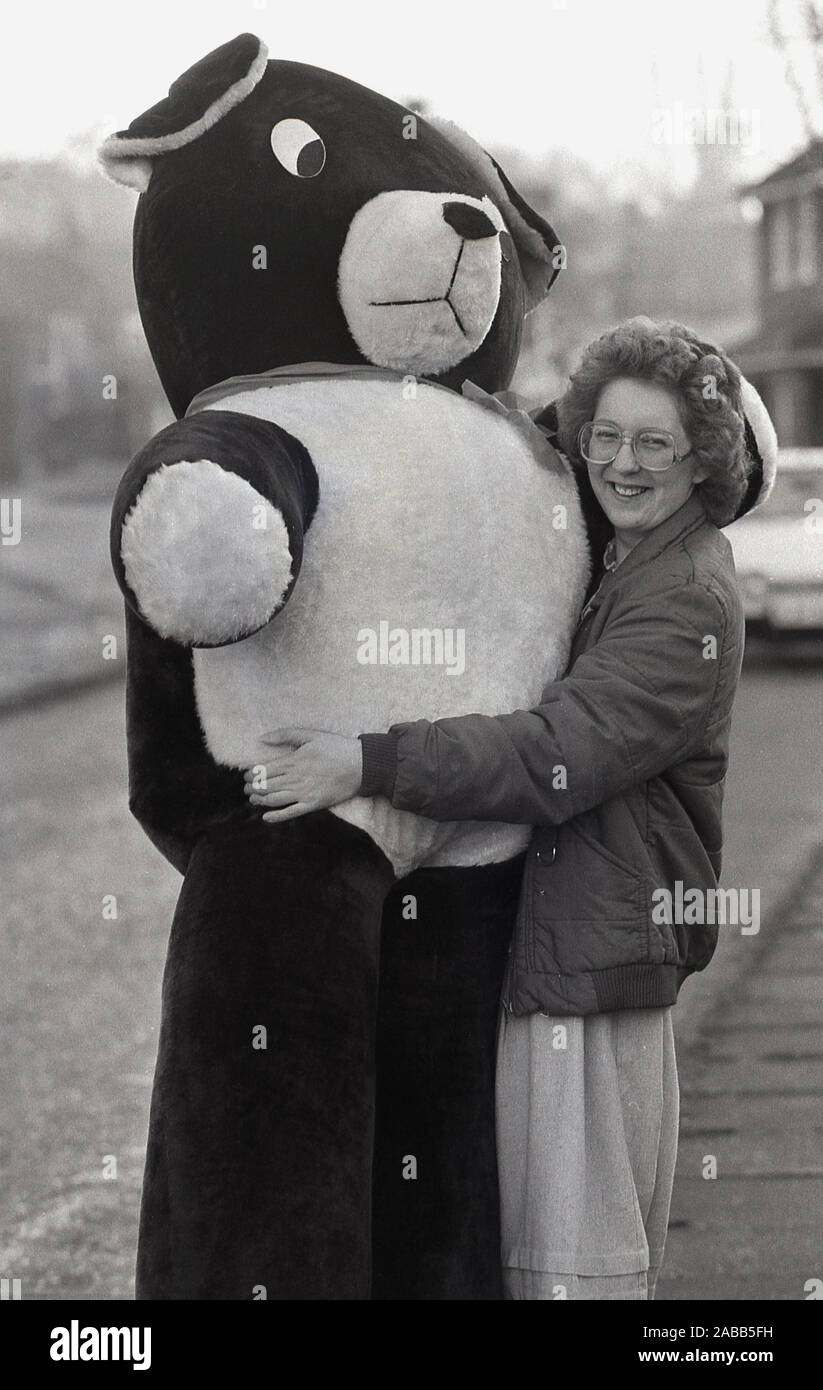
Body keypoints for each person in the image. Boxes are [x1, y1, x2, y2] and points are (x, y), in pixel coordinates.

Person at [243, 317, 773, 1300]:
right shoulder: (632, 555)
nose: (622, 462)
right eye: (604, 437)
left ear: (702, 458)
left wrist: (367, 760)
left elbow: (555, 753)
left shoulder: (684, 598)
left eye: (654, 443)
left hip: (590, 979)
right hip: (571, 955)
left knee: (572, 1275)